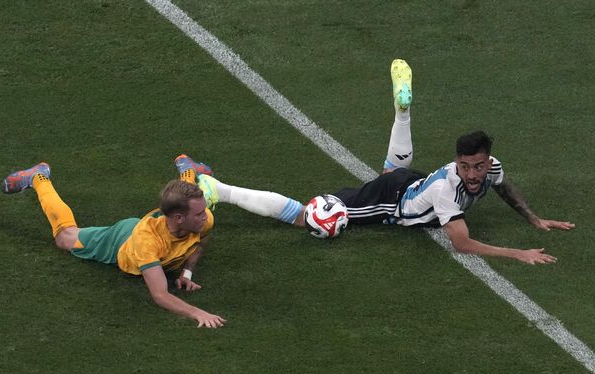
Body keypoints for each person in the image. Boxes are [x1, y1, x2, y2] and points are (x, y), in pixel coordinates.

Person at [182, 59, 575, 265]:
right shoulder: (447, 191)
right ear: (456, 161)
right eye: (467, 167)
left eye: (479, 167)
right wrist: (518, 252)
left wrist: (533, 219)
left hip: (408, 181)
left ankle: (403, 114)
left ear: (487, 160)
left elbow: (505, 187)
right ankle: (218, 189)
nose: (474, 174)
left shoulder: (491, 169)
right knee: (313, 216)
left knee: (394, 172)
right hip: (392, 201)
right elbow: (463, 245)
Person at [1, 163, 226, 328]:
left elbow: (201, 240)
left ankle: (189, 171)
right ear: (178, 219)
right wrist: (198, 313)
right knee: (64, 237)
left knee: (183, 201)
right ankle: (39, 177)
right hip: (121, 240)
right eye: (199, 214)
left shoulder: (201, 219)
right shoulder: (146, 243)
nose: (205, 216)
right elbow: (160, 294)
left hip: (159, 226)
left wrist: (187, 272)